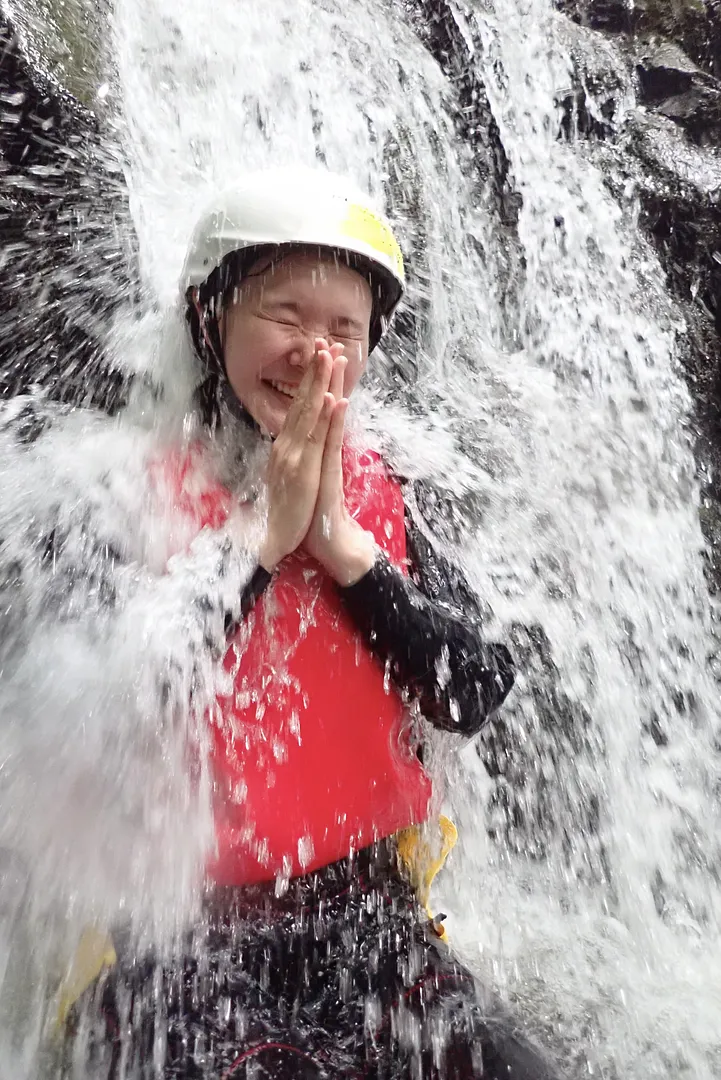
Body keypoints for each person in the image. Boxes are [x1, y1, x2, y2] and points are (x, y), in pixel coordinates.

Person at [62, 170, 562, 1079]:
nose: (314, 354)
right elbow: (107, 715)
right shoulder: (127, 495)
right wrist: (260, 541)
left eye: (343, 330)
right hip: (182, 942)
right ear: (210, 316)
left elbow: (470, 692)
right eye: (285, 316)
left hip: (368, 919)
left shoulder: (385, 495)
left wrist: (342, 549)